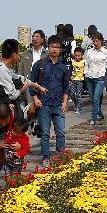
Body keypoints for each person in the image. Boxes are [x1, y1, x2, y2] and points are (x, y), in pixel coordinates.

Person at [30, 35, 71, 167]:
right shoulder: (39, 65)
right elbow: (32, 83)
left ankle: (60, 154)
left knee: (60, 131)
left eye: (57, 47)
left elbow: (66, 86)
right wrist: (35, 98)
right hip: (44, 104)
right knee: (45, 132)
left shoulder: (64, 68)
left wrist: (65, 102)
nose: (54, 49)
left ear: (60, 50)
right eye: (52, 46)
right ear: (48, 48)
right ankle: (46, 156)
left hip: (58, 103)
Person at [85, 33, 107, 125]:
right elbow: (86, 63)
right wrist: (86, 73)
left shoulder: (106, 52)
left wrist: (106, 75)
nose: (95, 43)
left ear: (101, 41)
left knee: (96, 98)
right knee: (92, 99)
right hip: (90, 76)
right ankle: (100, 113)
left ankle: (93, 118)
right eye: (94, 41)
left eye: (97, 41)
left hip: (100, 77)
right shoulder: (90, 51)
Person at [69, 47, 85, 114]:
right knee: (71, 93)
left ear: (82, 55)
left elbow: (86, 70)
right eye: (76, 55)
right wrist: (69, 79)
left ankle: (78, 107)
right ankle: (76, 103)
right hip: (73, 79)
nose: (77, 57)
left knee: (78, 94)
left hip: (80, 80)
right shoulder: (72, 62)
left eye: (79, 56)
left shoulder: (83, 62)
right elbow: (70, 70)